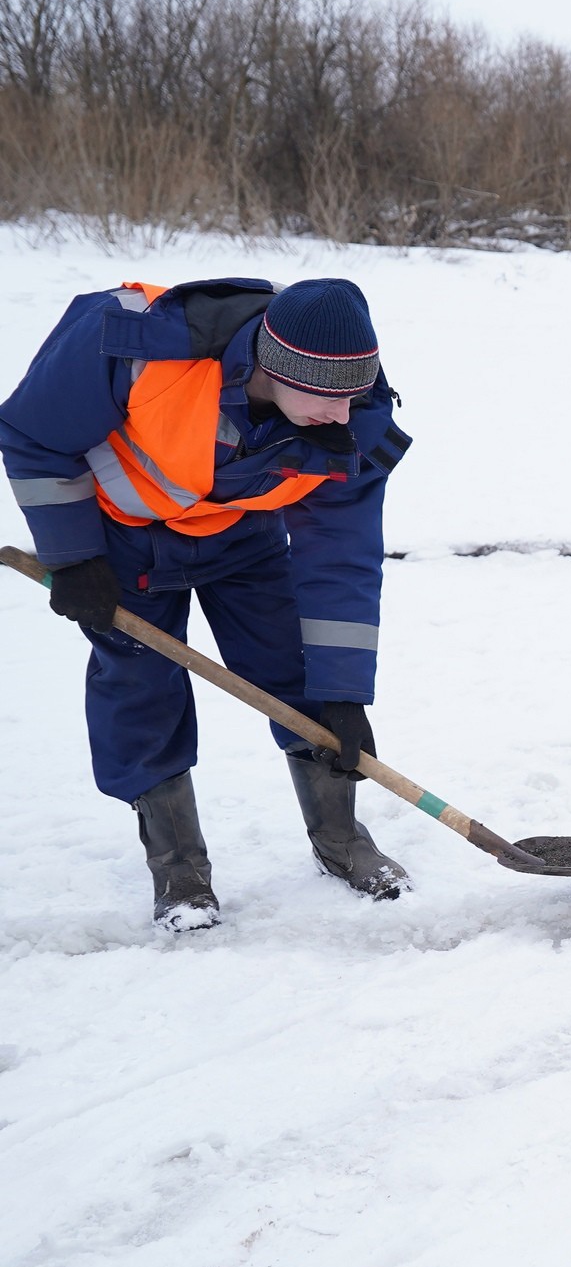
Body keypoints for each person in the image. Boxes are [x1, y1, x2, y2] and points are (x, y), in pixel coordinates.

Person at [2, 277, 415, 928]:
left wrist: (344, 693)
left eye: (352, 398)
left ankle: (341, 841)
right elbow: (32, 432)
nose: (343, 417)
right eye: (327, 399)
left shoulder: (352, 415)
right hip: (125, 540)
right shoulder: (136, 345)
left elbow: (340, 555)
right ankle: (180, 874)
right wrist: (73, 556)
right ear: (277, 368)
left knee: (303, 671)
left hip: (241, 534)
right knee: (140, 693)